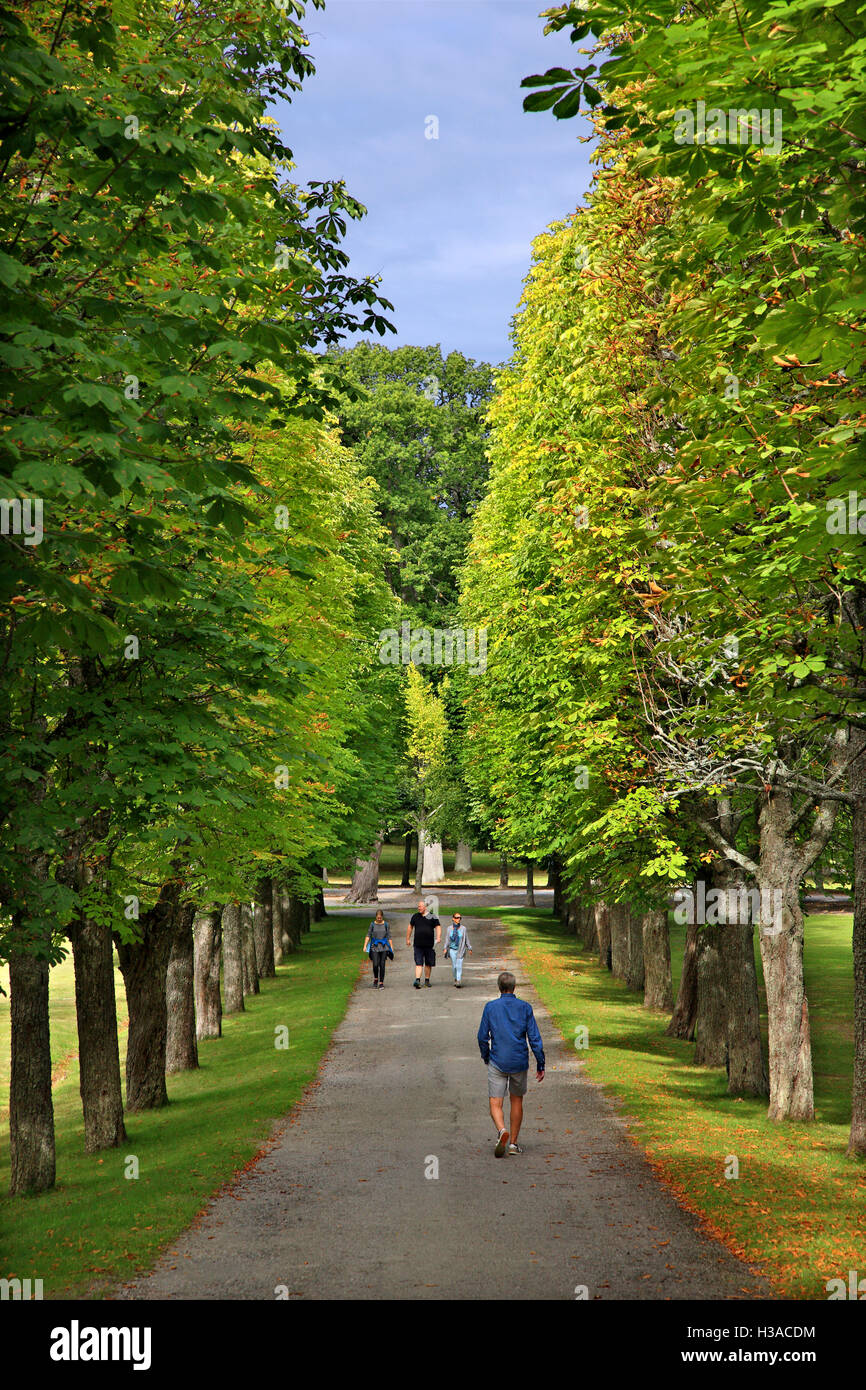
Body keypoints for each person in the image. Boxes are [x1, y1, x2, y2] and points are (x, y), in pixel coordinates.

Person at [477, 970, 545, 1156]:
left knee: (495, 1102)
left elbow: (482, 1036)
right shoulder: (525, 1008)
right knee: (517, 1100)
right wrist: (540, 1063)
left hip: (498, 1060)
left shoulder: (490, 1008)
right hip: (519, 1061)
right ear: (514, 987)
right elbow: (534, 1039)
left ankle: (501, 1130)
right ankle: (513, 1143)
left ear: (500, 988)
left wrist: (486, 1056)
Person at [406, 899, 441, 988]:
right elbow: (410, 927)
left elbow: (438, 927)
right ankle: (417, 980)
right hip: (418, 945)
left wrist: (438, 937)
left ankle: (427, 980)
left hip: (429, 945)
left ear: (425, 907)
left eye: (420, 906)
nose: (419, 908)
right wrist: (408, 939)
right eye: (418, 906)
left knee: (428, 963)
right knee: (419, 962)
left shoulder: (433, 916)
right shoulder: (415, 916)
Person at [363, 910, 393, 989]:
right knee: (375, 964)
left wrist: (391, 947)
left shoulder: (386, 925)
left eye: (380, 918)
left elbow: (389, 936)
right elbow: (368, 935)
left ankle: (381, 983)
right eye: (378, 918)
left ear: (382, 917)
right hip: (374, 946)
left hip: (384, 947)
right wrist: (365, 945)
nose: (379, 919)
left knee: (382, 964)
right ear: (376, 917)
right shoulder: (372, 924)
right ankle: (376, 979)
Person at [443, 911, 472, 987]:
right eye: (456, 917)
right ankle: (455, 978)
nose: (458, 919)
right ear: (453, 919)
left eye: (459, 918)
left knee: (459, 966)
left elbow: (466, 939)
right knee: (454, 966)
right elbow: (447, 939)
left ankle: (458, 980)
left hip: (461, 950)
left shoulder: (463, 928)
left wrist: (469, 948)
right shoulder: (449, 928)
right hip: (452, 950)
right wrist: (445, 948)